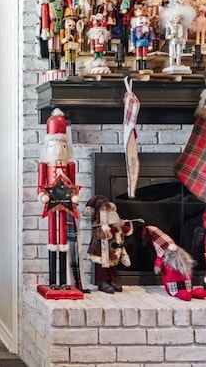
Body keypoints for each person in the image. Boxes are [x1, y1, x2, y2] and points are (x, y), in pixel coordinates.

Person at [38, 108, 80, 290]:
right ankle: (52, 280)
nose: (57, 149)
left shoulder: (70, 164)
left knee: (63, 235)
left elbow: (74, 183)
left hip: (64, 202)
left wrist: (75, 195)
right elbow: (41, 184)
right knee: (52, 235)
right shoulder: (44, 165)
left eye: (61, 145)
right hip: (51, 201)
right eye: (53, 145)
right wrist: (42, 194)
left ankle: (63, 281)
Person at [85, 195, 134, 294]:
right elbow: (100, 234)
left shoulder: (114, 221)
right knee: (103, 267)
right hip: (101, 250)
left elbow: (124, 232)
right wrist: (110, 230)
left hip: (113, 250)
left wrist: (124, 227)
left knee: (112, 267)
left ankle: (111, 280)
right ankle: (102, 282)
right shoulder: (97, 224)